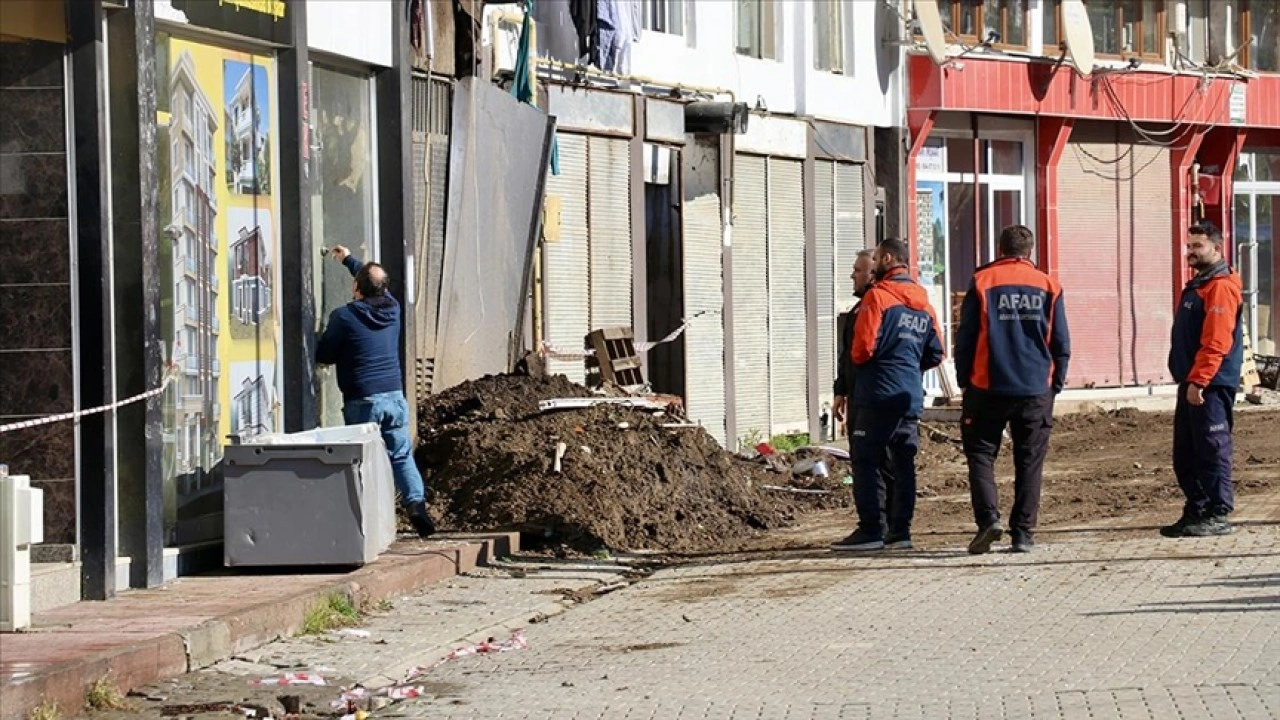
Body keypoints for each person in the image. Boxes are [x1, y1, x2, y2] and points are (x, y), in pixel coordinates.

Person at [954, 225, 1071, 555]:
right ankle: (1023, 533)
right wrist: (1055, 385)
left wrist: (965, 380)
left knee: (980, 455)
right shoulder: (1050, 285)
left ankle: (988, 520)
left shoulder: (982, 281)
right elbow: (1061, 342)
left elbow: (966, 337)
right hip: (1035, 388)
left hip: (987, 385)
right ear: (1030, 252)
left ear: (999, 248)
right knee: (1030, 460)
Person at [832, 238, 944, 551]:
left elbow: (862, 349)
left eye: (877, 259)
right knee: (903, 463)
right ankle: (900, 532)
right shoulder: (923, 302)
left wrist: (878, 366)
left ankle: (871, 530)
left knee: (866, 460)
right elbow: (936, 352)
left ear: (887, 260)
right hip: (909, 394)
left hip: (877, 393)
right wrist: (908, 365)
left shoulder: (878, 298)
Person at [317, 246, 435, 538]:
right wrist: (348, 260)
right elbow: (374, 282)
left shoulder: (343, 317)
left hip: (363, 399)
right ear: (383, 289)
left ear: (356, 287)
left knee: (362, 459)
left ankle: (366, 519)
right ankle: (416, 506)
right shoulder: (393, 309)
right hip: (394, 396)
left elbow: (325, 353)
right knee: (401, 455)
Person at [1162, 222, 1244, 538]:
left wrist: (1200, 380)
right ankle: (1197, 508)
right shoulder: (1199, 284)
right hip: (1193, 381)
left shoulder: (1220, 287)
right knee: (1185, 452)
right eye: (1189, 246)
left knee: (1212, 448)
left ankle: (1218, 512)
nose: (1191, 252)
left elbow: (1216, 341)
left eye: (1198, 246)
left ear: (1216, 248)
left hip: (1209, 383)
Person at [832, 249, 896, 533]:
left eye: (857, 270)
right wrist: (840, 391)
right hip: (860, 394)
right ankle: (888, 525)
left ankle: (876, 525)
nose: (852, 275)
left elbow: (861, 354)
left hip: (872, 396)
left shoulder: (877, 306)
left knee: (874, 462)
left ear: (872, 273)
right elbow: (846, 356)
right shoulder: (858, 310)